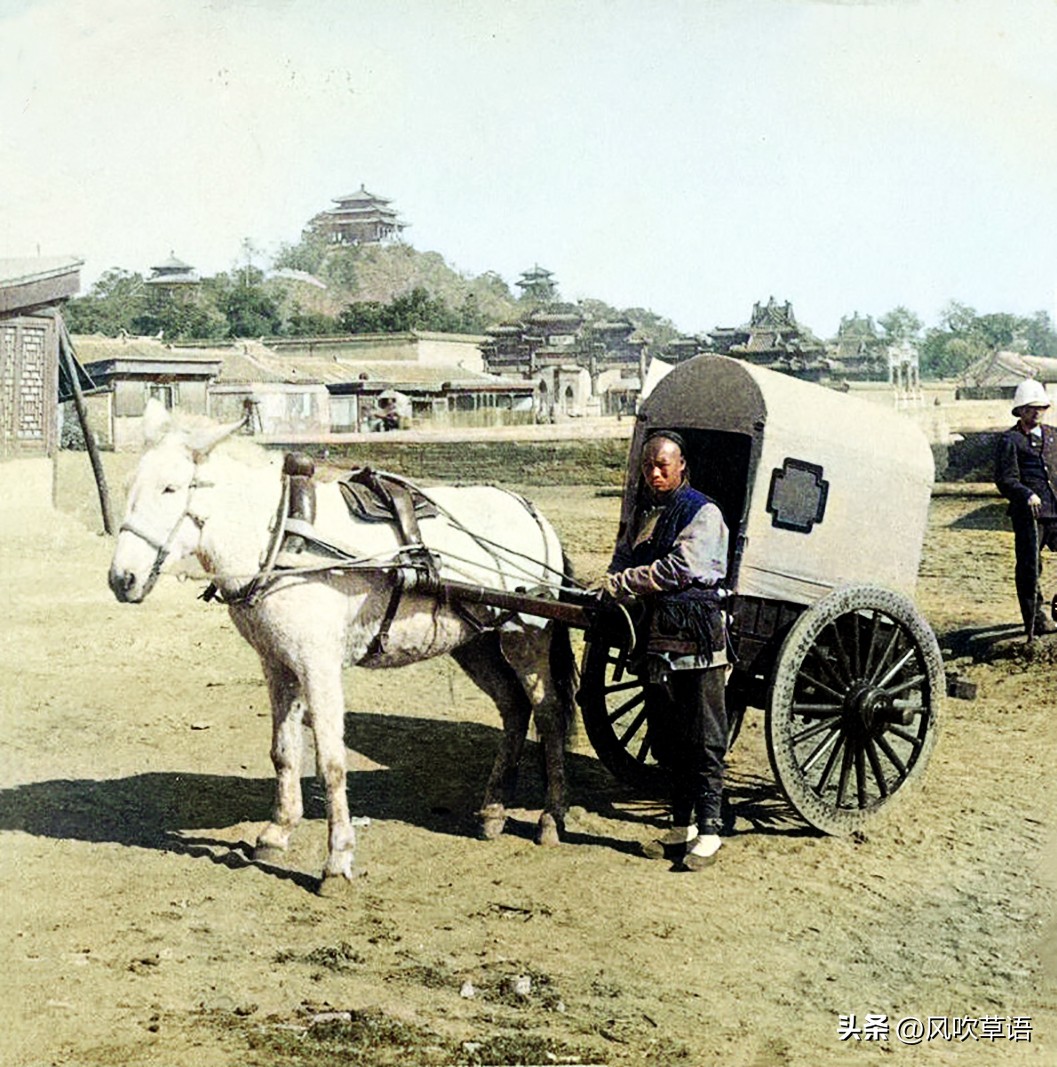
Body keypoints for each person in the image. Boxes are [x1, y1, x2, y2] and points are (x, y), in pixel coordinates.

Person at [603, 430, 729, 870]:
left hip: (697, 637)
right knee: (669, 736)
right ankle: (681, 828)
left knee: (704, 735)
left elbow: (681, 568)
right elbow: (622, 558)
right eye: (648, 466)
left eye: (663, 465)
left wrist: (623, 583)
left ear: (681, 467)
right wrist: (610, 579)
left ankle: (711, 831)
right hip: (656, 640)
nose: (654, 473)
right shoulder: (643, 513)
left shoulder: (702, 511)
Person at [995, 378, 1057, 638]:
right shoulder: (1010, 440)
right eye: (1031, 408)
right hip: (1029, 514)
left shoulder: (1054, 435)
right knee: (1030, 567)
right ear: (1020, 410)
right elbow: (1005, 479)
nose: (1037, 412)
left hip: (1056, 510)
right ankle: (1035, 622)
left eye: (1041, 407)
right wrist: (1026, 493)